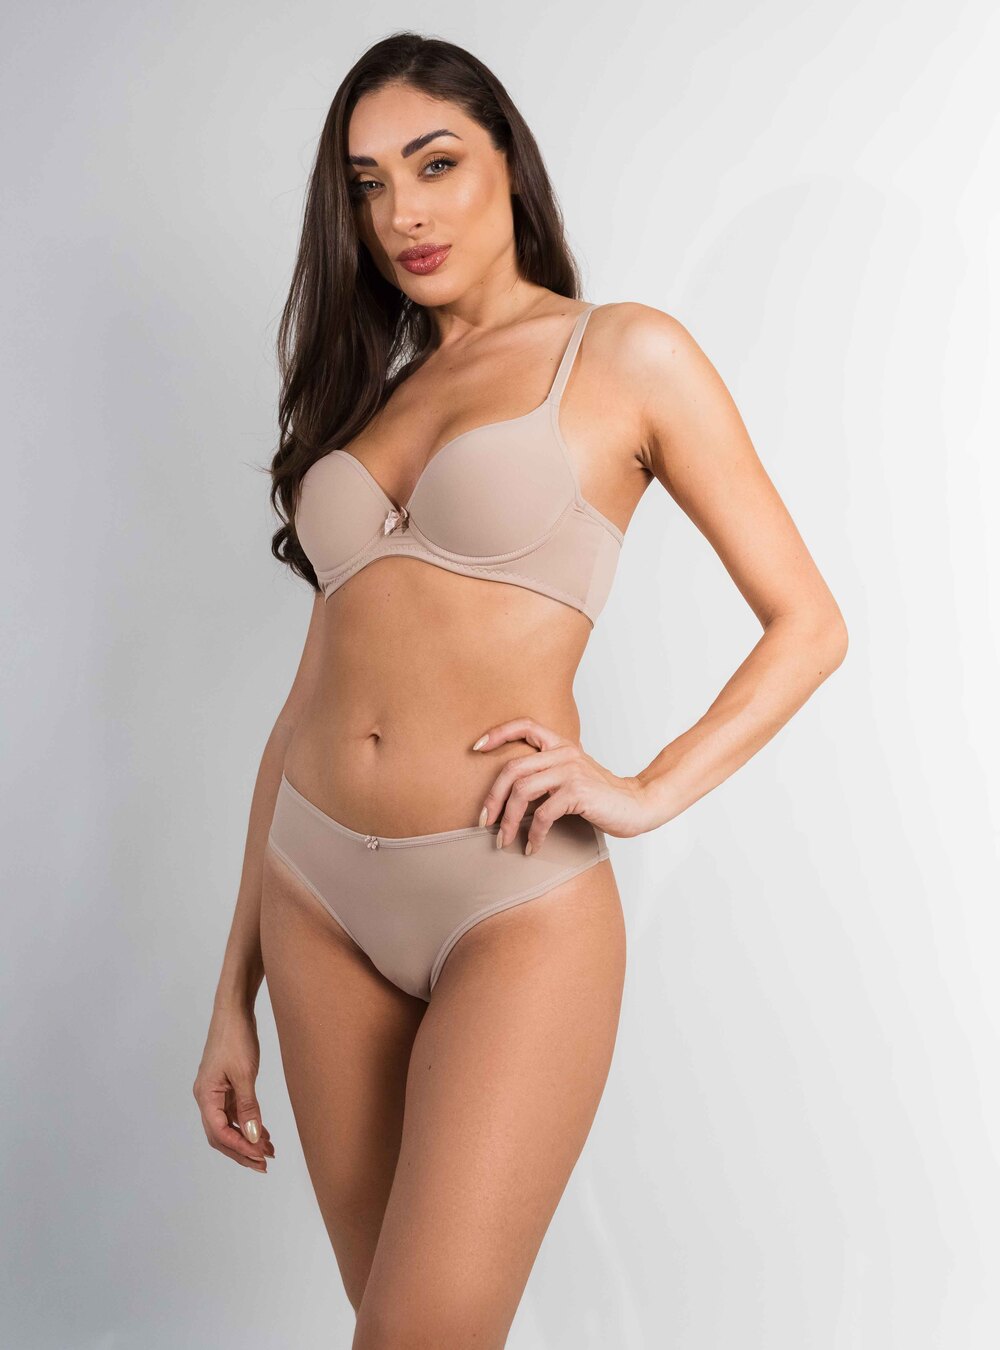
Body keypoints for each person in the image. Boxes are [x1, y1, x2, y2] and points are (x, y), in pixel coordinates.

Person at [192, 31, 848, 1349]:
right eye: (369, 184)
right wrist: (230, 992)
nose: (403, 211)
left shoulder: (626, 355)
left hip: (509, 896)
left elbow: (808, 625)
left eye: (435, 163)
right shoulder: (370, 395)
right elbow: (312, 692)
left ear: (509, 162)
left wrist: (645, 787)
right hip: (314, 896)